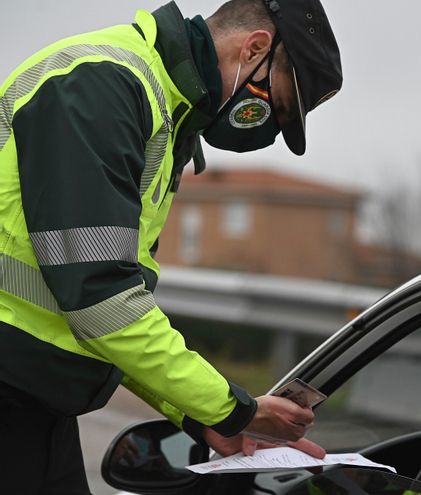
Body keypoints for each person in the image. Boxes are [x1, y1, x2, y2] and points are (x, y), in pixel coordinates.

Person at [0, 0, 342, 492]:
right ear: (255, 47)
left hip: (33, 401)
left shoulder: (166, 111)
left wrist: (201, 416)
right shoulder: (102, 85)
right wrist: (231, 409)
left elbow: (103, 307)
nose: (268, 124)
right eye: (279, 104)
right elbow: (101, 300)